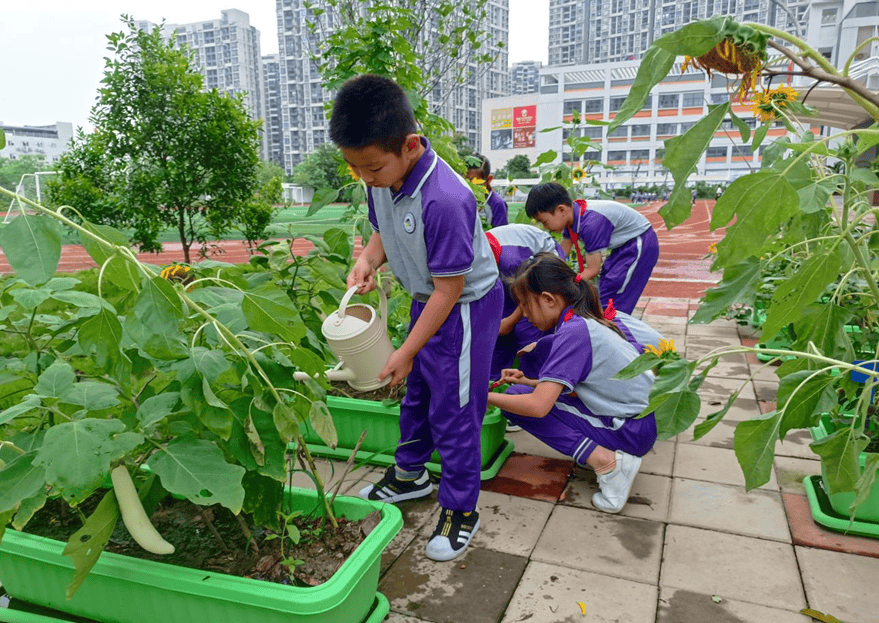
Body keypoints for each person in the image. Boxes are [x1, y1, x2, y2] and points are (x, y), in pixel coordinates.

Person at [330, 75, 503, 562]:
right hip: (428, 301)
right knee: (418, 395)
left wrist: (406, 350)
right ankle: (410, 475)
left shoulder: (446, 199)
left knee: (457, 410)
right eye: (354, 168)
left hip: (464, 307)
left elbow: (450, 290)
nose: (365, 177)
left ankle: (461, 508)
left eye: (371, 167)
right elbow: (382, 229)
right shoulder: (381, 174)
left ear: (409, 145)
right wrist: (368, 259)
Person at [487, 253, 657, 513]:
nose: (524, 315)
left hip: (630, 430)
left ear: (548, 299)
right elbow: (586, 387)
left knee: (518, 403)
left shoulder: (573, 333)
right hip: (637, 422)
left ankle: (608, 462)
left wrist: (478, 396)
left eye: (524, 305)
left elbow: (538, 407)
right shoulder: (580, 321)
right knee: (520, 389)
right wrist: (530, 381)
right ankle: (602, 452)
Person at [525, 182, 659, 315]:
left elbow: (592, 270)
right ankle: (608, 323)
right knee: (607, 285)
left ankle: (616, 327)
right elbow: (561, 253)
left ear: (561, 210)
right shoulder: (572, 215)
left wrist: (562, 286)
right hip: (623, 246)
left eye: (544, 222)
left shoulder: (591, 223)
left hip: (639, 244)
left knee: (615, 296)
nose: (544, 227)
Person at [485, 224, 565, 432]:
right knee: (498, 337)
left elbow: (528, 293)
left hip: (538, 271)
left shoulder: (511, 259)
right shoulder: (476, 257)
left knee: (528, 333)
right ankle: (497, 390)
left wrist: (510, 321)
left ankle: (532, 396)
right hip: (513, 274)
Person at [466, 154, 509, 228]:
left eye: (474, 182)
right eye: (465, 181)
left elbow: (500, 235)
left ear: (489, 179)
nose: (469, 186)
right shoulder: (463, 200)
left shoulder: (497, 204)